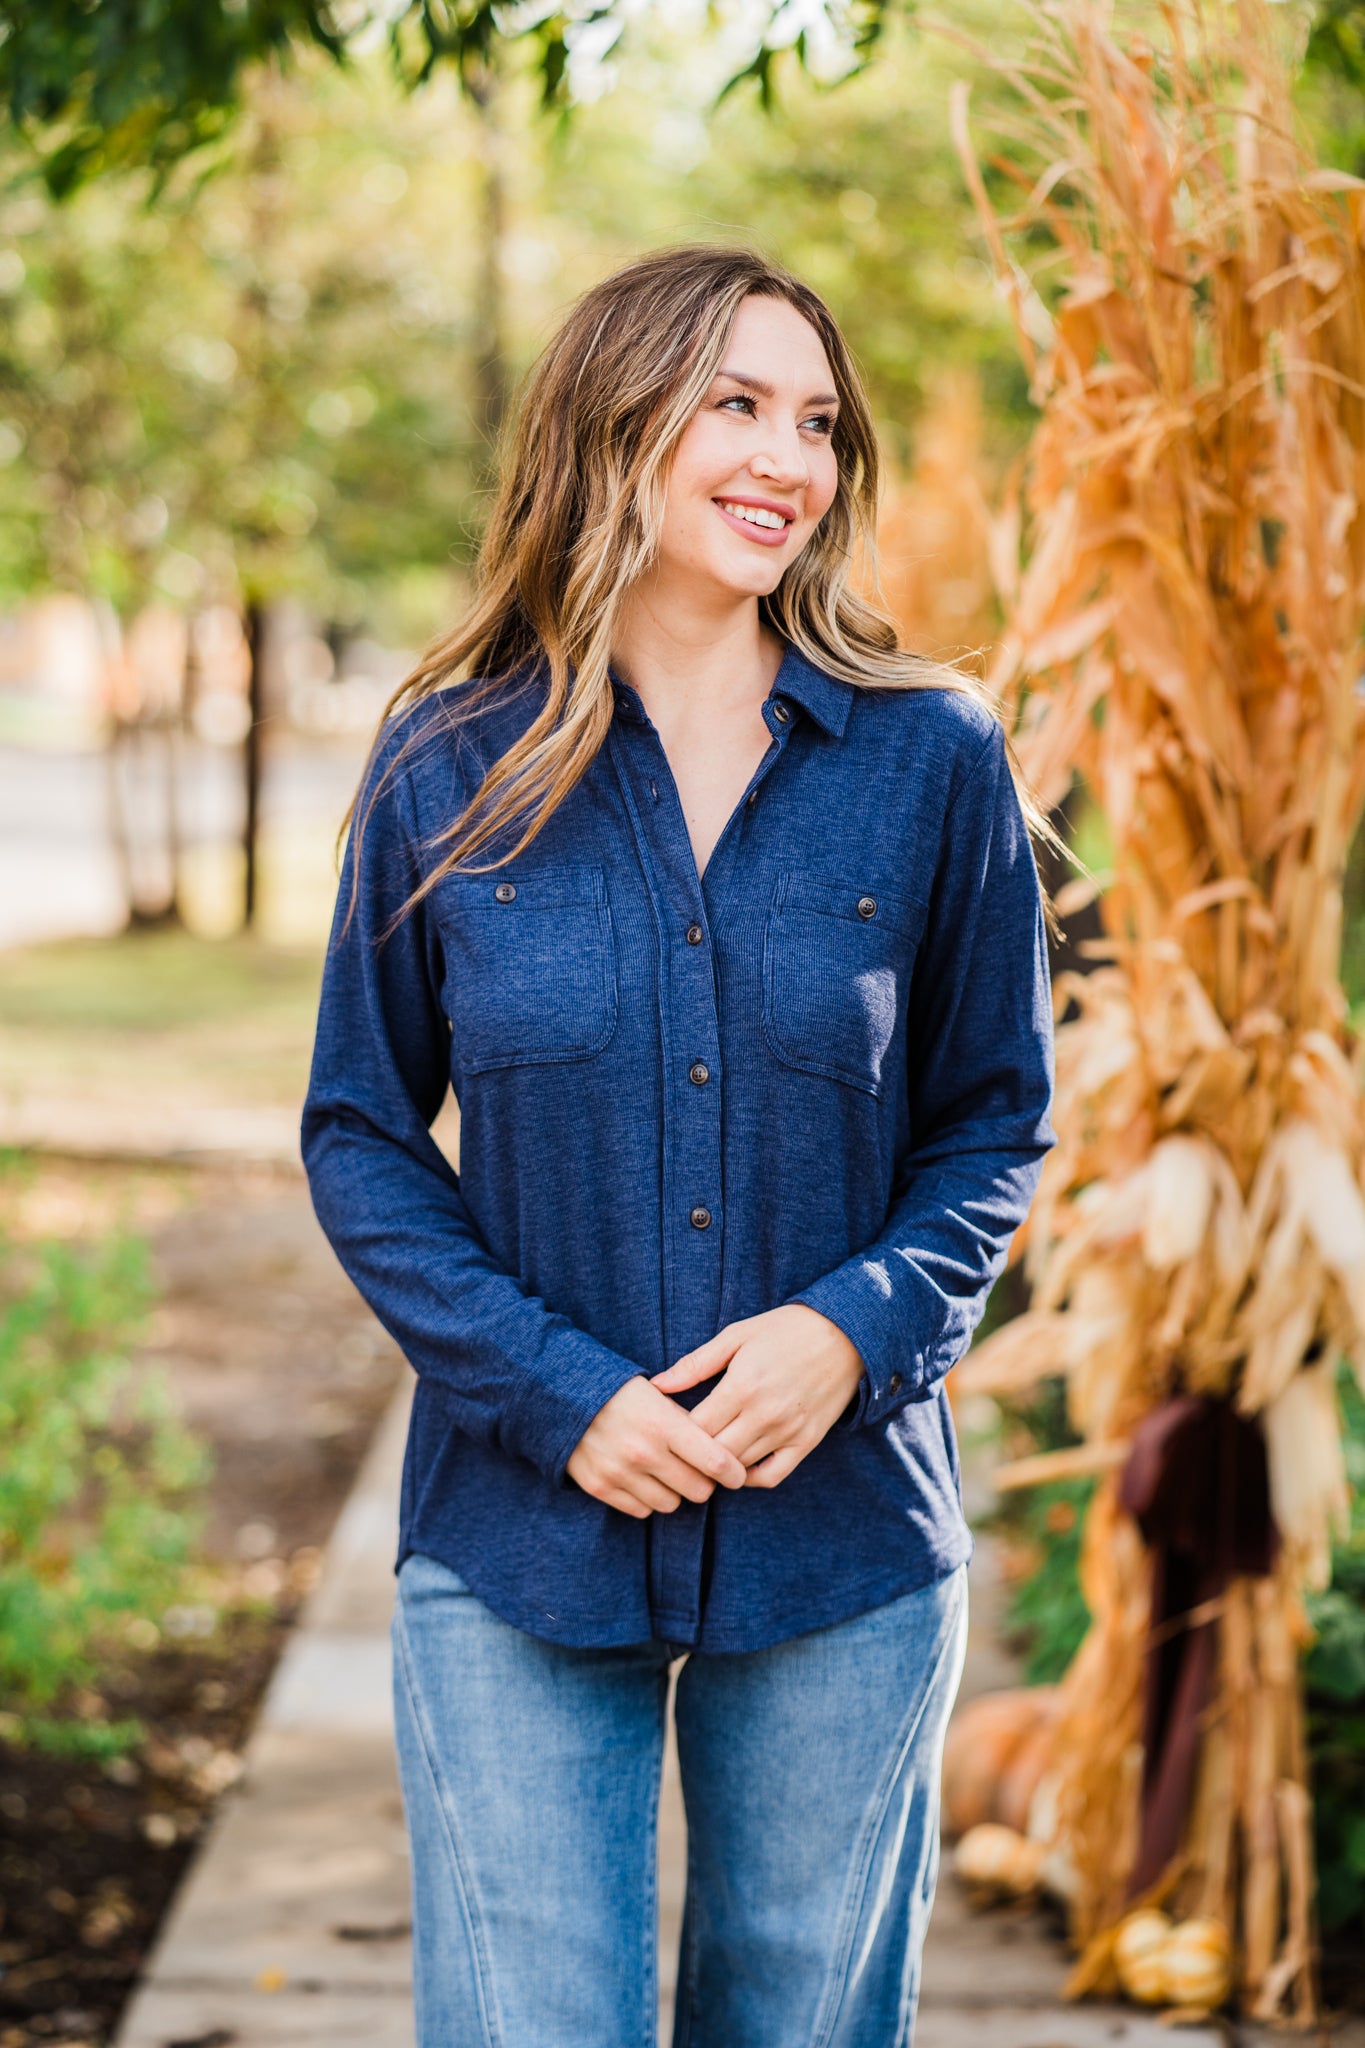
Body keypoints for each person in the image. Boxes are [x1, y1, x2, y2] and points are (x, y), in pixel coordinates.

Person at [301, 243, 1055, 2048]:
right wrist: (554, 1390)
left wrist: (850, 1330)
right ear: (610, 424)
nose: (784, 455)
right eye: (732, 402)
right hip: (517, 1541)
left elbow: (994, 1126)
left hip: (845, 1542)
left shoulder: (928, 758)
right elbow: (359, 1131)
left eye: (812, 419)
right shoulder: (447, 762)